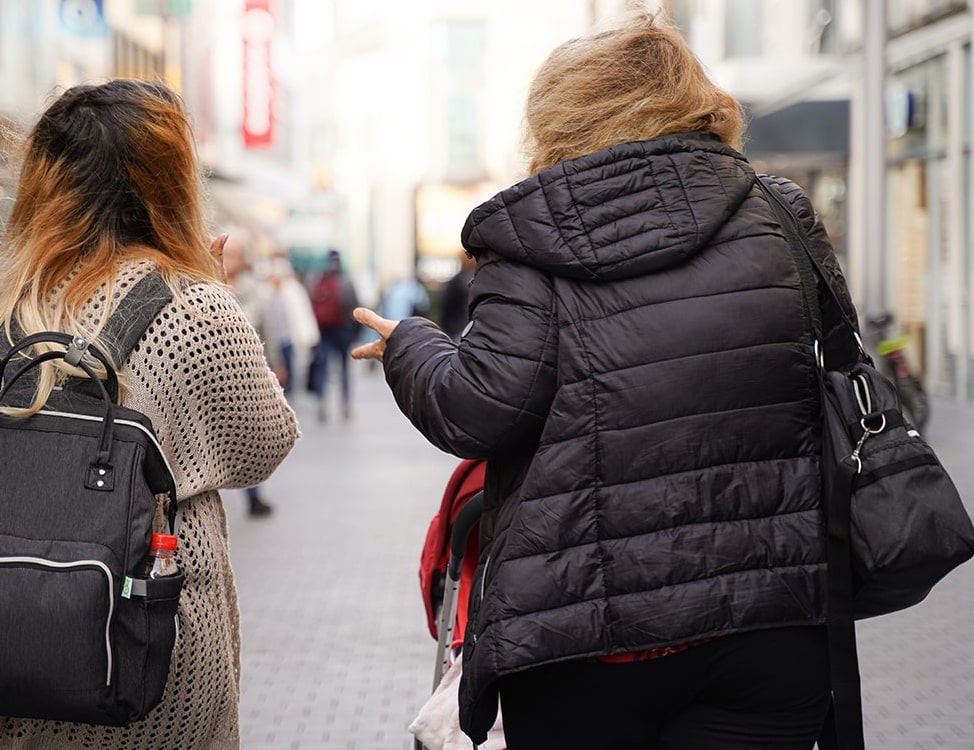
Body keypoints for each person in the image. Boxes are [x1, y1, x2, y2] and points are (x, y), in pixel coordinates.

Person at [354, 13, 862, 750]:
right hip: (770, 620)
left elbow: (478, 409)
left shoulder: (525, 241)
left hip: (584, 640)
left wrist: (411, 345)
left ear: (562, 117)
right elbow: (836, 368)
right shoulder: (779, 213)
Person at [0, 79, 299, 750]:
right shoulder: (197, 311)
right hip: (139, 660)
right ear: (169, 184)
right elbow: (264, 444)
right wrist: (216, 292)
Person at [308, 249, 359, 422]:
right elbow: (355, 307)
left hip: (323, 331)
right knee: (344, 368)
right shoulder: (345, 282)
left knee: (323, 366)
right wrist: (352, 331)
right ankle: (345, 404)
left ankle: (321, 401)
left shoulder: (317, 281)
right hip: (341, 330)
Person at [262, 256, 319, 397]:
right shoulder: (265, 294)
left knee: (289, 371)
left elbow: (302, 316)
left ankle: (287, 396)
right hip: (271, 341)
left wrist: (308, 337)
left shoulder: (292, 292)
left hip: (287, 339)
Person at [438, 254, 475, 342]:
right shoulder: (485, 280)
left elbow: (445, 304)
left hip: (458, 330)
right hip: (477, 330)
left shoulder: (457, 280)